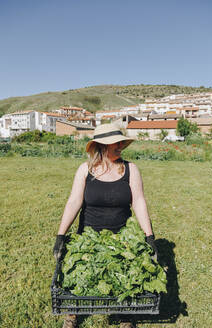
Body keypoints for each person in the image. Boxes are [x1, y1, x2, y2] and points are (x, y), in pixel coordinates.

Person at [53, 123, 157, 328]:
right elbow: (74, 202)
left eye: (120, 142)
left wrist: (149, 237)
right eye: (114, 143)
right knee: (77, 273)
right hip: (88, 239)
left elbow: (139, 202)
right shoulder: (86, 170)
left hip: (122, 240)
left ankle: (124, 313)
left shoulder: (131, 169)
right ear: (101, 146)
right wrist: (61, 235)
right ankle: (73, 312)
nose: (120, 145)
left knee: (127, 274)